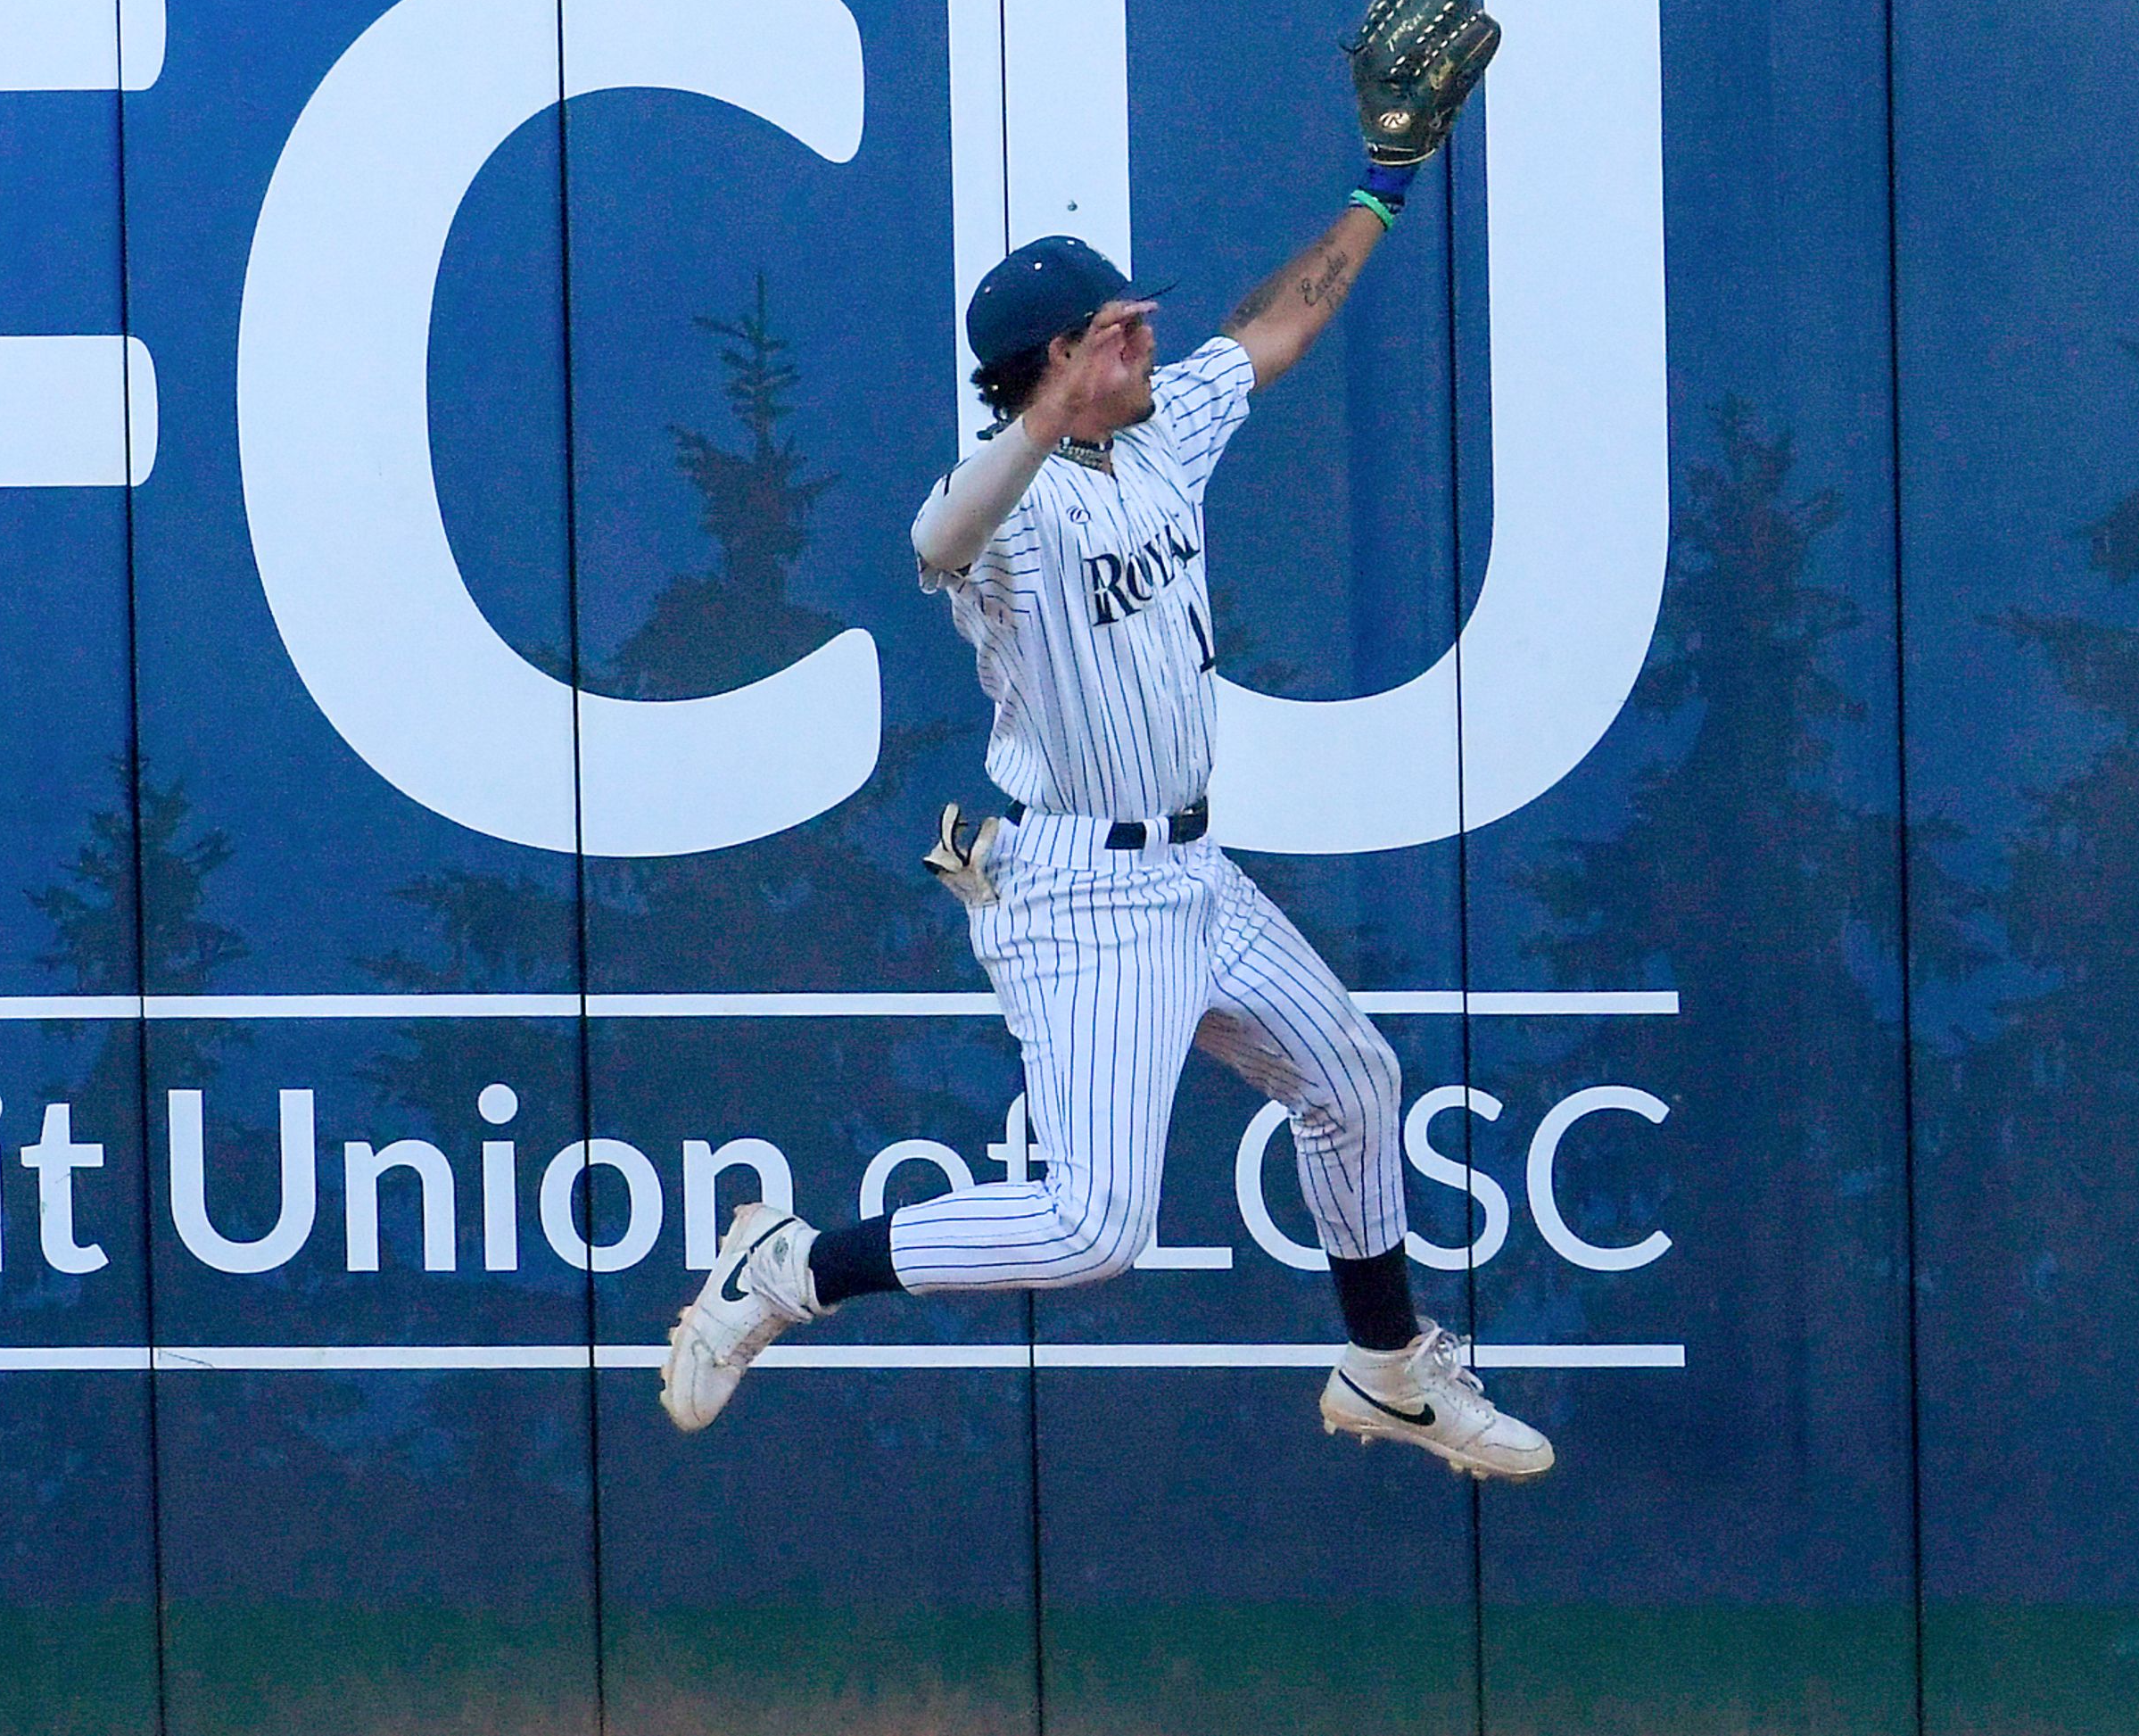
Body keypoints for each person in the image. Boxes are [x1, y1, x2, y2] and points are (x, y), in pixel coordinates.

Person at [657, 152, 1555, 1482]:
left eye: (1138, 321)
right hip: (1081, 889)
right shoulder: (1011, 503)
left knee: (1356, 1079)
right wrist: (1037, 424)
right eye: (1116, 329)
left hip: (1195, 870)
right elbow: (933, 537)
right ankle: (790, 1267)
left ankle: (1386, 1366)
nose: (1147, 336)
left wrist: (1379, 187)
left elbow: (1278, 325)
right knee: (1092, 1227)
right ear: (1052, 360)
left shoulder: (1163, 427)